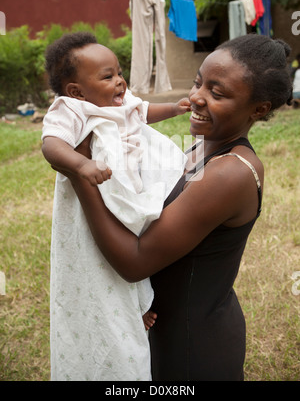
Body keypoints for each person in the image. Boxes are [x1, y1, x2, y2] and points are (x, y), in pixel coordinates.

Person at [55, 34, 293, 381]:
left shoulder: (231, 172)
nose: (196, 97)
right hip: (164, 329)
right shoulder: (201, 147)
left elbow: (135, 262)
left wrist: (79, 173)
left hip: (193, 347)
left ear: (259, 109)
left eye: (217, 93)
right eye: (198, 82)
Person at [42, 32, 190, 381]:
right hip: (98, 194)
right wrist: (81, 166)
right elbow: (52, 145)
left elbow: (144, 112)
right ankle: (133, 310)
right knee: (102, 258)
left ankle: (139, 306)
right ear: (77, 91)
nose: (120, 81)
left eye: (119, 72)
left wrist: (174, 108)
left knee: (137, 250)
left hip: (130, 199)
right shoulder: (72, 109)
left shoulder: (122, 103)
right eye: (107, 76)